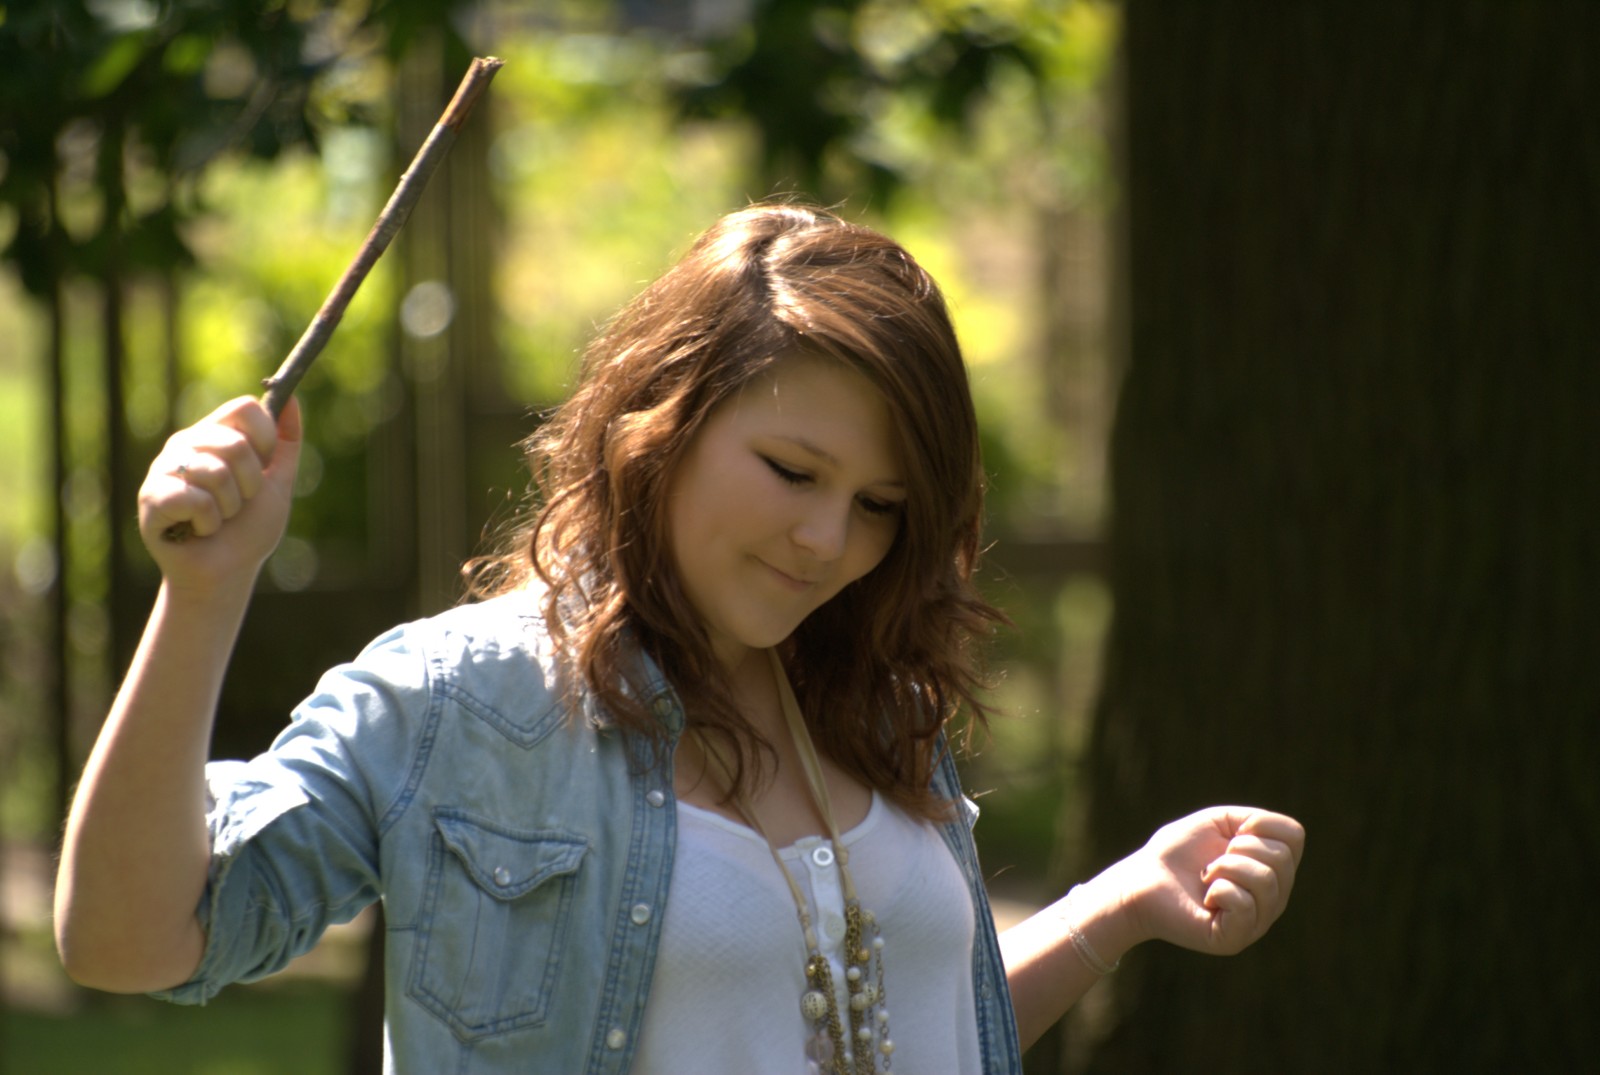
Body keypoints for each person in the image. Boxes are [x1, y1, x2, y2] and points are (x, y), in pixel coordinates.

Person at [55, 203, 1304, 1074]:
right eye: (791, 469)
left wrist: (1112, 908)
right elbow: (131, 941)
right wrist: (205, 594)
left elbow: (903, 1039)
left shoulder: (866, 700)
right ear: (663, 420)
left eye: (880, 506)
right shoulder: (465, 698)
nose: (829, 540)